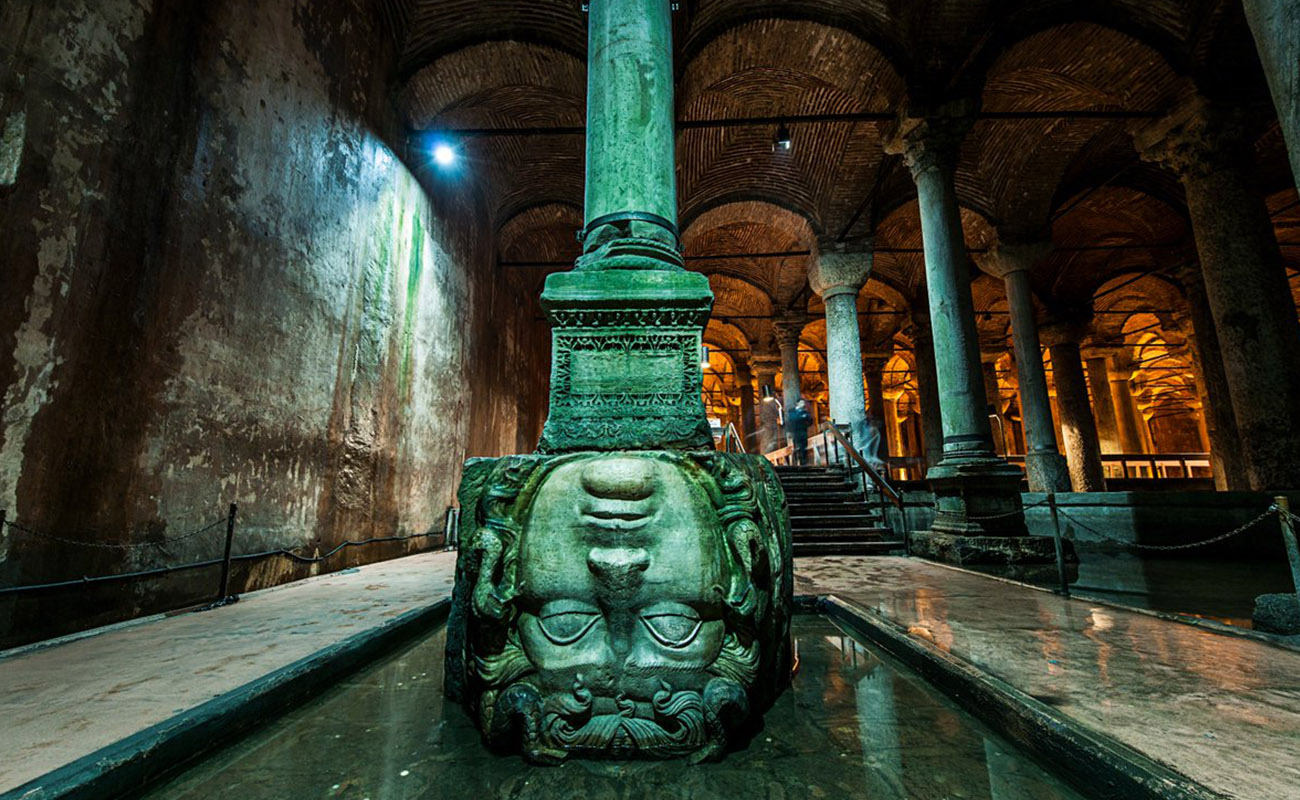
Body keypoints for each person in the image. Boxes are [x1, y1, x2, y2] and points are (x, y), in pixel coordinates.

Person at [786, 398, 812, 466]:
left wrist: (805, 416)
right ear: (797, 403)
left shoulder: (805, 413)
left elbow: (810, 422)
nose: (803, 404)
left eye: (803, 403)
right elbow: (791, 420)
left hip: (803, 432)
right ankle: (796, 462)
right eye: (801, 403)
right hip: (795, 432)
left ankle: (803, 463)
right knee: (796, 447)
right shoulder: (791, 412)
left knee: (804, 448)